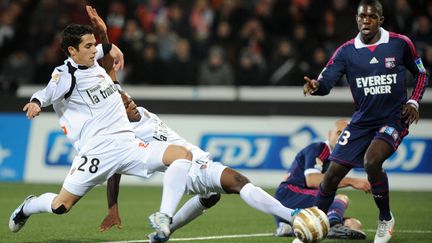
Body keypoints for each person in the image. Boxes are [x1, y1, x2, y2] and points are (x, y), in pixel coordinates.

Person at [84, 6, 302, 242]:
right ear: (119, 114)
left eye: (128, 98)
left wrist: (102, 33)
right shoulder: (124, 131)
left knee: (210, 197)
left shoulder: (127, 104)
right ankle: (293, 216)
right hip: (190, 167)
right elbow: (115, 172)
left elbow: (107, 68)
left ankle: (162, 233)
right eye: (126, 105)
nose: (130, 102)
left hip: (191, 163)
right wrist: (112, 207)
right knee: (239, 182)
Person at [9, 12, 195, 241]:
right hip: (95, 151)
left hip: (128, 144)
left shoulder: (92, 56)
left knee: (182, 154)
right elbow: (46, 93)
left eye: (94, 45)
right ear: (72, 51)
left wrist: (111, 46)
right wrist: (36, 104)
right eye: (88, 46)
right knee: (61, 206)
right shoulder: (66, 74)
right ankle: (28, 206)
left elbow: (105, 50)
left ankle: (164, 217)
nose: (93, 50)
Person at [303, 1, 429, 242]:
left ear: (381, 19)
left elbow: (421, 73)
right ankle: (314, 224)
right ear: (357, 18)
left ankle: (385, 218)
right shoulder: (346, 51)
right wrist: (316, 86)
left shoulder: (400, 43)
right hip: (362, 121)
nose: (366, 21)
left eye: (372, 17)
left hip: (394, 117)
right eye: (362, 16)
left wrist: (413, 101)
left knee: (372, 162)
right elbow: (326, 82)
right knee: (330, 176)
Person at [274, 119, 370, 240]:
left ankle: (291, 228)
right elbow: (312, 180)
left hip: (303, 201)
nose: (342, 138)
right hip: (289, 194)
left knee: (354, 224)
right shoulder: (319, 148)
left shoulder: (340, 159)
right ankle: (333, 226)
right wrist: (352, 181)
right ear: (330, 134)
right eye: (339, 133)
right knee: (339, 198)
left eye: (346, 134)